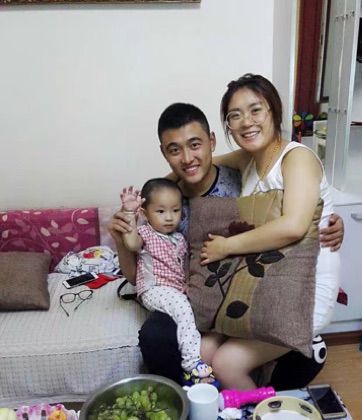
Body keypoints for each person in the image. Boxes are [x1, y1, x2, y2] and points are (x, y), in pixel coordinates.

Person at [107, 102, 344, 388]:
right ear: (164, 153)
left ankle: (269, 371)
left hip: (240, 286)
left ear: (211, 141)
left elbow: (286, 216)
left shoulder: (242, 179)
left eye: (195, 145)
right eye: (174, 150)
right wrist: (121, 239)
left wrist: (326, 223)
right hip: (189, 294)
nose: (187, 158)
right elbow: (137, 275)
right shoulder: (164, 200)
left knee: (288, 349)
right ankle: (184, 398)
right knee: (156, 336)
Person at [198, 73, 340, 389]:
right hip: (266, 282)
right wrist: (150, 195)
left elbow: (294, 225)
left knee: (226, 362)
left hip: (303, 288)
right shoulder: (247, 160)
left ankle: (263, 406)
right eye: (235, 115)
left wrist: (226, 246)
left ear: (273, 111)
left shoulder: (297, 158)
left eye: (255, 110)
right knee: (204, 349)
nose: (246, 122)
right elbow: (198, 165)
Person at [118, 179, 217, 385]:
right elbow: (131, 243)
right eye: (161, 211)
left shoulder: (179, 238)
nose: (170, 217)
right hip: (154, 288)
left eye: (175, 210)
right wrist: (128, 213)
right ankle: (192, 363)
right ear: (145, 213)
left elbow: (184, 265)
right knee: (182, 308)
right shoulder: (145, 233)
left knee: (193, 308)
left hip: (175, 290)